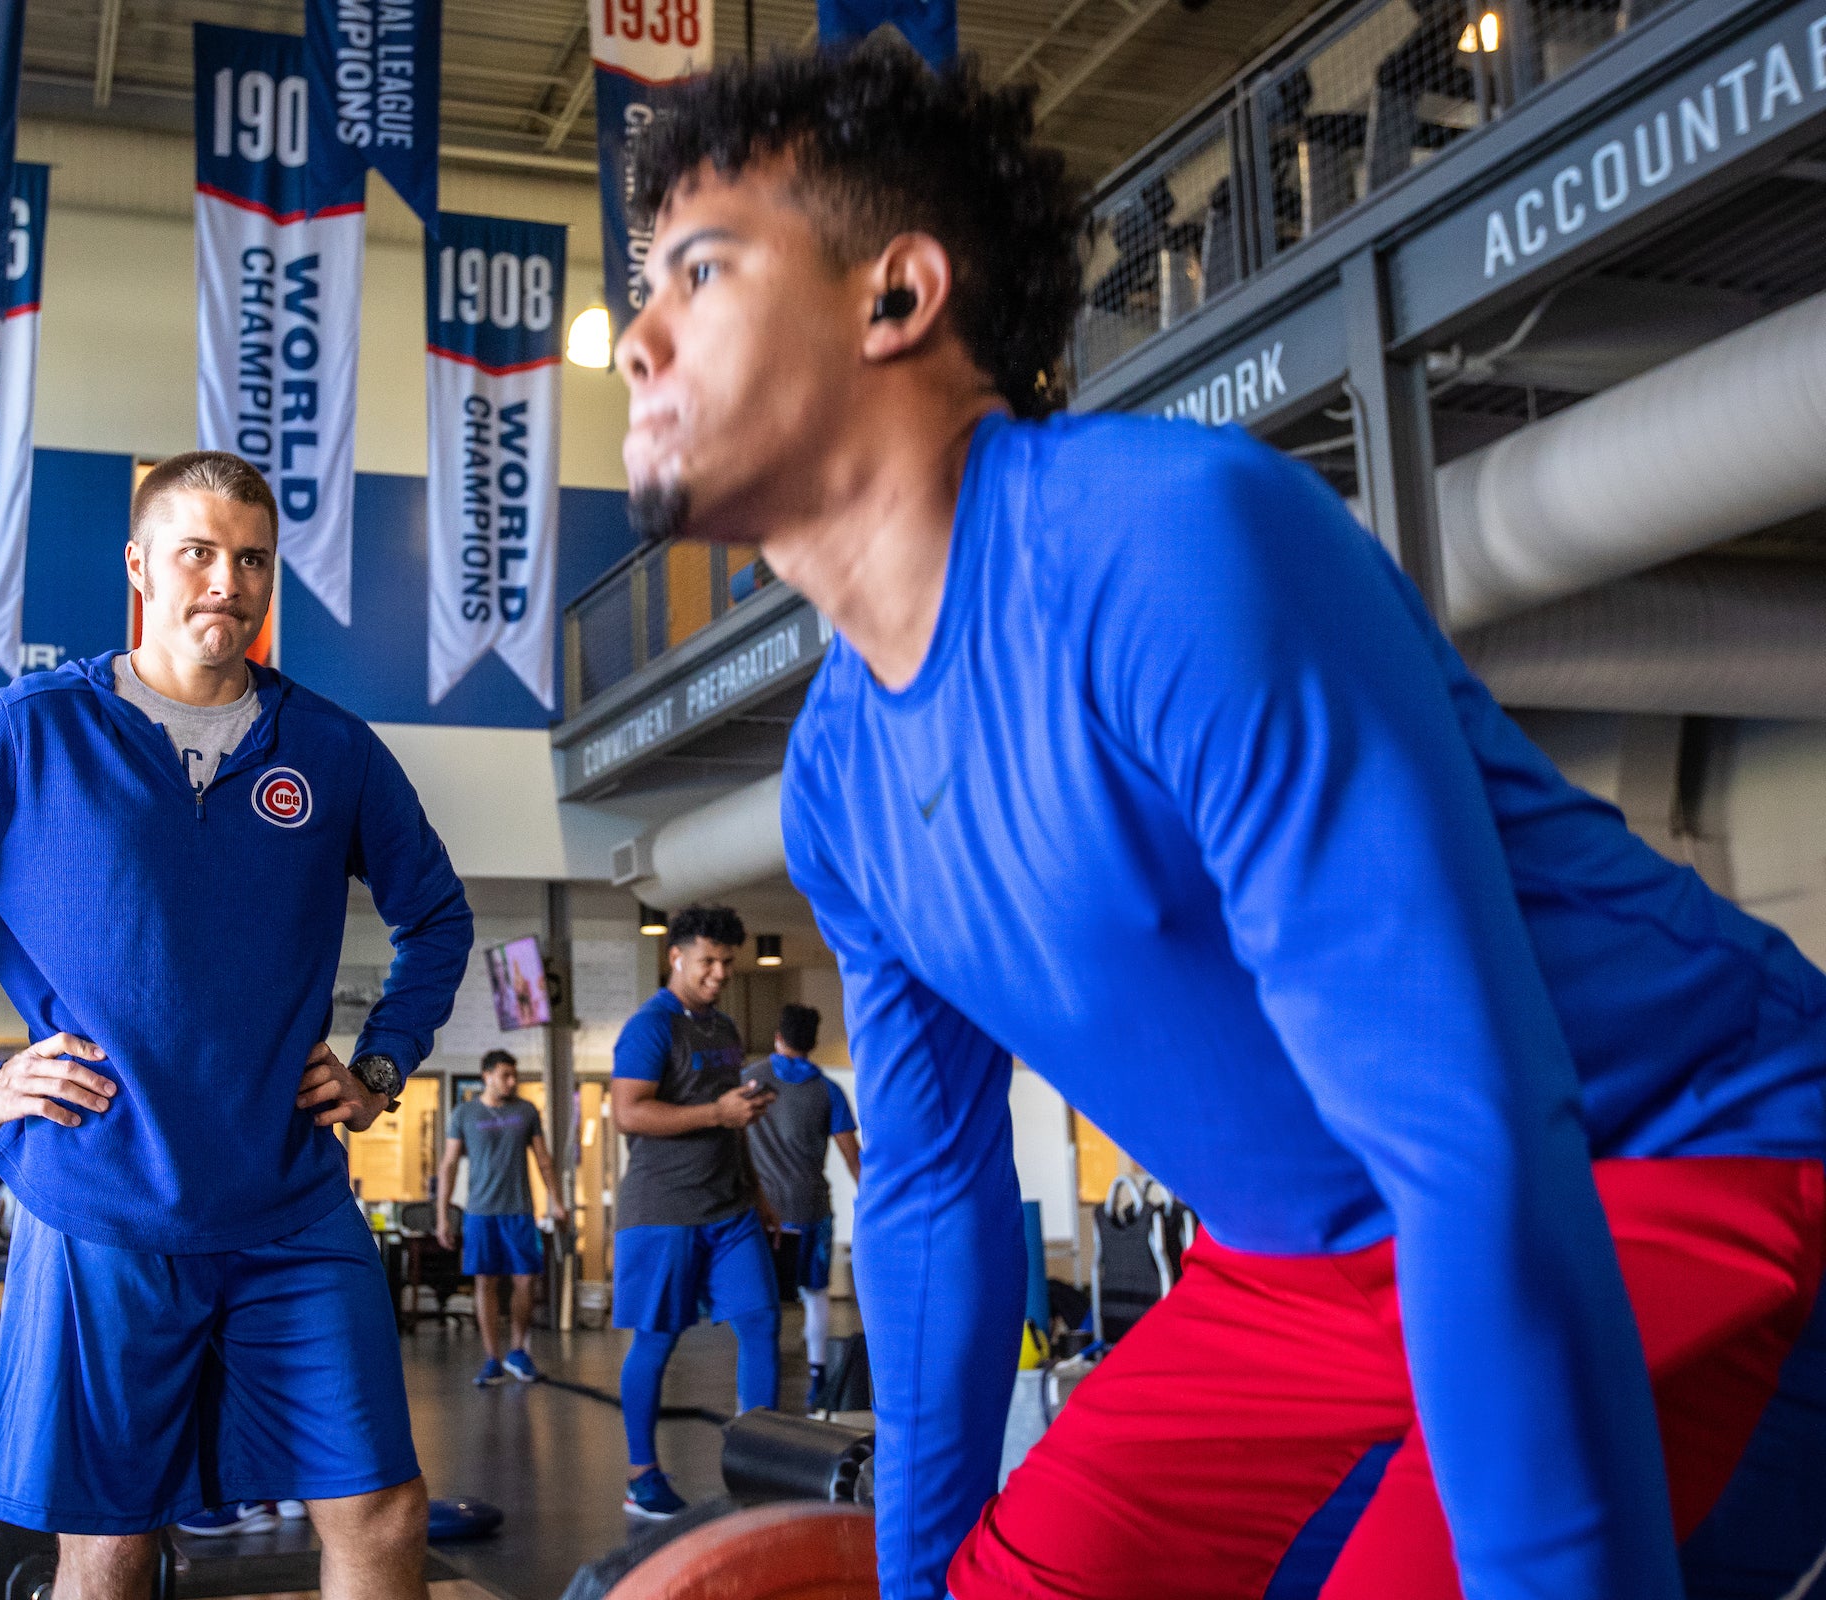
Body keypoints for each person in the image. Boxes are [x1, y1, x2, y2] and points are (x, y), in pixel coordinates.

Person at [615, 42, 1826, 1600]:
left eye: (698, 274)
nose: (637, 342)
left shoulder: (1170, 543)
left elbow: (1468, 1132)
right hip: (1300, 1266)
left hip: (1667, 1162)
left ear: (895, 298)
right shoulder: (837, 783)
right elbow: (930, 1197)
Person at [0, 450, 473, 1600]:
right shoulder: (31, 727)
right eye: (199, 552)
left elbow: (440, 918)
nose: (228, 579)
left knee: (379, 1504)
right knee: (109, 1535)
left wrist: (380, 1062)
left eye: (252, 558)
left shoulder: (332, 750)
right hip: (102, 1199)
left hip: (291, 1203)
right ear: (140, 565)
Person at [609, 904, 780, 1519]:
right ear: (675, 956)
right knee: (656, 1340)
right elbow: (628, 1112)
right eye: (707, 960)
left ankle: (757, 1464)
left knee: (761, 1322)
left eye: (727, 963)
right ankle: (641, 1476)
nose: (718, 973)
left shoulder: (724, 1029)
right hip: (663, 1209)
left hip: (729, 1207)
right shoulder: (651, 1027)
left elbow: (732, 1121)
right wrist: (717, 1114)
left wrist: (757, 1191)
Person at [745, 1004, 860, 1409]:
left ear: (779, 1036)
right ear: (812, 1043)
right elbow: (852, 1156)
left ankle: (759, 1386)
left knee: (763, 1299)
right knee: (815, 1294)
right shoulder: (828, 1091)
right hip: (811, 1207)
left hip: (761, 1212)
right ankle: (816, 1378)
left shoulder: (750, 1080)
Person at [436, 1049, 565, 1386]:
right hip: (480, 1213)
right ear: (486, 1075)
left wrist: (558, 1201)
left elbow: (544, 1159)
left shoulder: (526, 1111)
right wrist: (442, 1216)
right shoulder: (464, 1113)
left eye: (514, 1076)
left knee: (526, 1280)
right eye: (505, 1075)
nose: (512, 1082)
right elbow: (448, 1164)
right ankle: (492, 1357)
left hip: (520, 1212)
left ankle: (518, 1350)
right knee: (485, 1282)